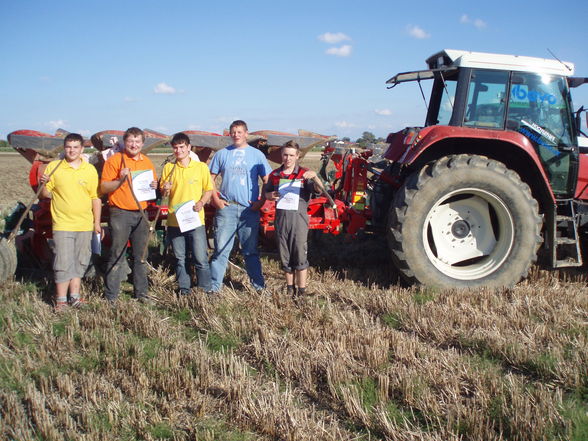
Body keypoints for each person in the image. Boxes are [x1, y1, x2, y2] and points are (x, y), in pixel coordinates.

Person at [209, 120, 272, 292]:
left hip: (248, 210)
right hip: (227, 208)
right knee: (221, 249)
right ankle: (214, 287)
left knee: (250, 251)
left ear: (246, 133)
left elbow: (267, 180)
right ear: (230, 134)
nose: (236, 135)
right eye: (233, 132)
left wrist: (260, 202)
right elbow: (210, 179)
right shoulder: (222, 154)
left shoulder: (256, 155)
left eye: (239, 132)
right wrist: (216, 200)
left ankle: (258, 287)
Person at [40, 133, 101, 311]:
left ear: (82, 149)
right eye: (68, 147)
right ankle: (60, 300)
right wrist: (43, 184)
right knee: (63, 262)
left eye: (75, 147)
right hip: (63, 223)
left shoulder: (89, 170)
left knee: (80, 261)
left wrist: (96, 223)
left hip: (84, 224)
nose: (72, 150)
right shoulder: (54, 167)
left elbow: (95, 198)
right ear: (64, 148)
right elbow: (45, 194)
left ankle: (74, 297)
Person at [100, 127, 158, 303]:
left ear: (142, 144)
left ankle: (141, 293)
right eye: (131, 141)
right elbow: (103, 188)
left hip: (141, 213)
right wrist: (119, 180)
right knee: (117, 253)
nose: (134, 145)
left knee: (141, 255)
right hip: (120, 213)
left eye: (137, 141)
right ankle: (111, 296)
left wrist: (155, 186)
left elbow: (151, 187)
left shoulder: (146, 163)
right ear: (125, 143)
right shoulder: (115, 161)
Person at [161, 133, 213, 295]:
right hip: (175, 221)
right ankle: (184, 288)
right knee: (179, 258)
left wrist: (201, 203)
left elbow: (208, 190)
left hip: (195, 220)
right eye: (175, 148)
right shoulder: (169, 169)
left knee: (200, 257)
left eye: (182, 147)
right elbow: (164, 195)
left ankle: (205, 289)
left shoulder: (201, 167)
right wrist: (165, 189)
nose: (178, 150)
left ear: (189, 148)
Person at [265, 140, 319, 298]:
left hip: (299, 220)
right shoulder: (275, 175)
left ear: (297, 156)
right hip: (281, 220)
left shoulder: (304, 174)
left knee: (300, 256)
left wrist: (315, 177)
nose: (287, 158)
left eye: (291, 155)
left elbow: (319, 191)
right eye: (285, 155)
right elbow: (266, 193)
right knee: (285, 255)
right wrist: (270, 195)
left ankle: (301, 291)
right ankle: (290, 288)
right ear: (281, 155)